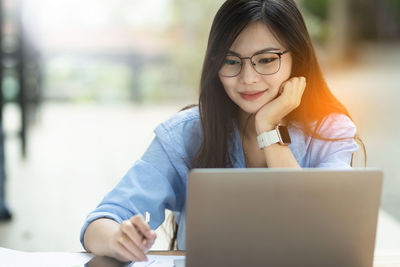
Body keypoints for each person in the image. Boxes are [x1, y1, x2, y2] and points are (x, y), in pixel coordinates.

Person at [80, 0, 360, 262]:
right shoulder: (185, 134)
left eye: (265, 60)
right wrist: (118, 238)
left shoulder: (329, 132)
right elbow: (100, 222)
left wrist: (269, 130)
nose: (248, 78)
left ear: (296, 59)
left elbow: (323, 232)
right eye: (231, 61)